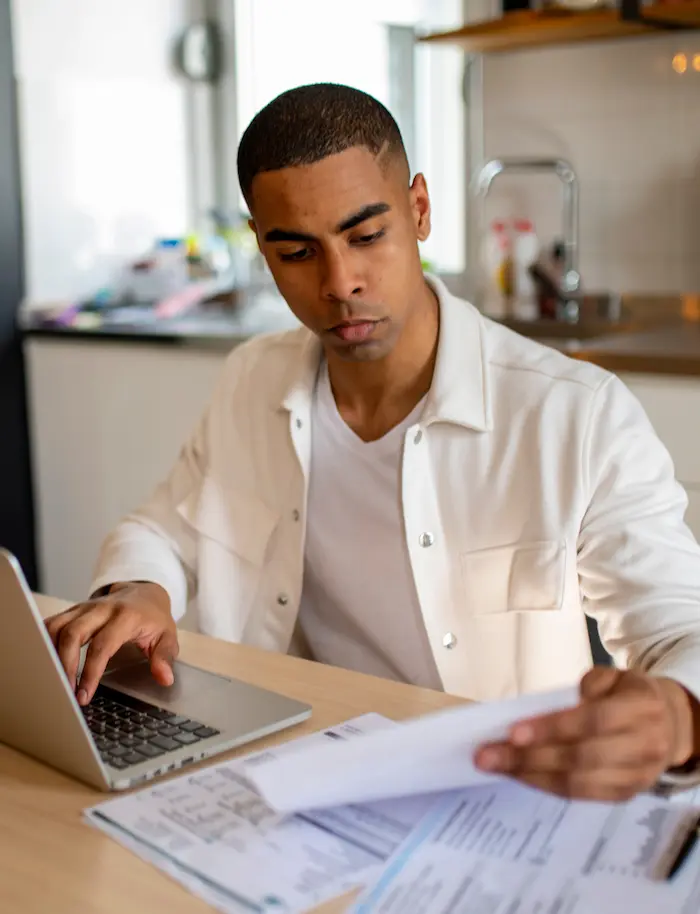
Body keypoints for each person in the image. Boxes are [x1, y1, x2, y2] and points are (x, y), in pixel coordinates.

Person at [46, 83, 700, 803]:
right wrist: (138, 588)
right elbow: (162, 528)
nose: (339, 283)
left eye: (365, 236)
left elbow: (678, 626)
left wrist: (676, 714)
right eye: (296, 252)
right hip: (288, 774)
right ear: (263, 248)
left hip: (491, 792)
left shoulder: (576, 415)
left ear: (419, 209)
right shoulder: (252, 380)